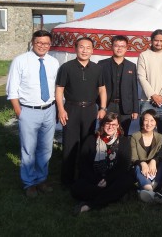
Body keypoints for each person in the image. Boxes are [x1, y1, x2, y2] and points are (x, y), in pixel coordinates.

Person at [7, 30, 59, 197]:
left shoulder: (53, 62)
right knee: (28, 149)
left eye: (46, 43)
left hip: (49, 109)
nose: (43, 46)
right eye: (39, 43)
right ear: (32, 42)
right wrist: (18, 111)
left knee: (45, 149)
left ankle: (41, 179)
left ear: (50, 45)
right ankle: (29, 183)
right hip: (28, 110)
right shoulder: (20, 61)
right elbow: (12, 88)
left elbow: (57, 88)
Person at [56, 37, 107, 186]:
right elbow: (59, 90)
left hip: (90, 109)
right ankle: (67, 180)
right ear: (75, 48)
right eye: (81, 47)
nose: (84, 50)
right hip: (71, 108)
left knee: (88, 144)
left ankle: (86, 176)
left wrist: (102, 108)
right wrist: (61, 109)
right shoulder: (66, 67)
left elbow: (102, 89)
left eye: (88, 47)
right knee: (70, 144)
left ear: (92, 50)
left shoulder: (97, 69)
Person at [71, 112, 134, 215]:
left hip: (113, 178)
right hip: (94, 178)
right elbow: (83, 164)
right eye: (107, 124)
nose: (110, 127)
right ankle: (114, 196)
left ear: (118, 126)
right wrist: (97, 181)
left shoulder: (124, 141)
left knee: (127, 180)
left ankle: (89, 205)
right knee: (76, 188)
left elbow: (124, 165)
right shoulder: (91, 139)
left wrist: (107, 180)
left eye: (113, 124)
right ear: (102, 124)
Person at [137, 29, 162, 135]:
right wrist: (153, 95)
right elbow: (141, 77)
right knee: (145, 132)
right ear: (151, 41)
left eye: (161, 40)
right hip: (147, 100)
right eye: (156, 40)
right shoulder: (144, 55)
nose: (158, 43)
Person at [99, 35, 139, 136]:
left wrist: (135, 110)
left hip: (125, 107)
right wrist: (100, 106)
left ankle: (121, 152)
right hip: (108, 105)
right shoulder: (102, 64)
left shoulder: (131, 66)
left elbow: (134, 89)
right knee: (106, 133)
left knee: (123, 133)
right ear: (112, 47)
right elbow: (97, 86)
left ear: (126, 48)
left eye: (122, 46)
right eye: (116, 45)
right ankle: (105, 152)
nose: (119, 48)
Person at [130, 109, 162, 202]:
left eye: (152, 120)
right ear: (142, 122)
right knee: (137, 167)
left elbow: (161, 154)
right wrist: (143, 163)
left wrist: (153, 161)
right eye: (146, 120)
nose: (149, 123)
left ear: (156, 122)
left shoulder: (160, 137)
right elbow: (133, 157)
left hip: (155, 169)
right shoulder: (134, 136)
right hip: (140, 168)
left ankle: (147, 190)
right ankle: (150, 190)